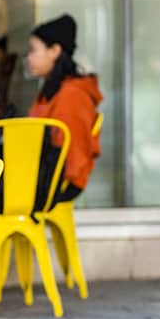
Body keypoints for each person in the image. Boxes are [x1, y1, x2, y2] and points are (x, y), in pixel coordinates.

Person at [24, 14, 103, 204]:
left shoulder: (71, 96)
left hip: (57, 185)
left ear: (54, 51)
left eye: (33, 50)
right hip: (43, 177)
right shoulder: (52, 91)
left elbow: (72, 158)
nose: (29, 57)